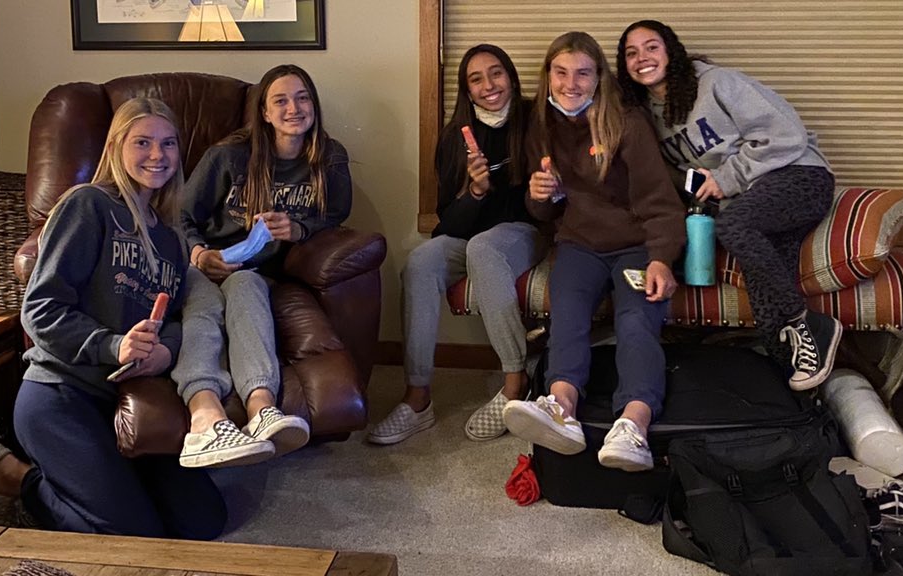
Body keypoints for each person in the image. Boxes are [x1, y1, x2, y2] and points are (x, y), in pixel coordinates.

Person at [0, 98, 227, 538]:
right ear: (115, 147)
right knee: (134, 541)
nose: (157, 154)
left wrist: (165, 351)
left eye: (168, 143)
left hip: (126, 403)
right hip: (60, 395)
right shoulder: (89, 205)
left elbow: (174, 318)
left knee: (203, 520)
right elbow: (39, 309)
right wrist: (113, 345)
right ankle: (15, 477)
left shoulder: (169, 239)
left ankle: (88, 488)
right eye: (142, 142)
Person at [617, 20, 841, 391]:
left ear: (671, 51)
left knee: (733, 225)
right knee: (767, 315)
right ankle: (802, 398)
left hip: (799, 177)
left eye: (651, 47)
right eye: (631, 53)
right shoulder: (647, 118)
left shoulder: (717, 83)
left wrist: (727, 178)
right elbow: (679, 179)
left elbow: (787, 134)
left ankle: (808, 322)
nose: (642, 57)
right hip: (751, 206)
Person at [501, 31, 686, 472]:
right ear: (548, 76)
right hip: (578, 243)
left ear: (599, 77)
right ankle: (561, 406)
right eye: (561, 73)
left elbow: (661, 201)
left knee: (636, 321)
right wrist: (539, 195)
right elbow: (544, 212)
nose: (571, 84)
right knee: (566, 317)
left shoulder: (627, 122)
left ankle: (634, 425)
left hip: (636, 244)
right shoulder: (540, 123)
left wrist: (661, 258)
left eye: (583, 73)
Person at [173, 64, 352, 467]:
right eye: (281, 101)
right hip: (206, 264)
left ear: (314, 105)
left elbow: (336, 214)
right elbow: (178, 215)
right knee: (203, 308)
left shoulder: (329, 157)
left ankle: (262, 410)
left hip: (257, 273)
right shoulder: (228, 157)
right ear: (265, 113)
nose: (294, 108)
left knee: (247, 287)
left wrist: (299, 229)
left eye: (302, 98)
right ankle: (205, 422)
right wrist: (200, 254)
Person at [366, 45, 545, 446]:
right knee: (420, 261)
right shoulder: (455, 136)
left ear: (511, 76)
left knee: (484, 247)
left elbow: (543, 206)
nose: (488, 85)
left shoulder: (534, 120)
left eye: (496, 73)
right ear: (467, 90)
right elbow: (447, 222)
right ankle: (418, 397)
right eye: (476, 79)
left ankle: (515, 382)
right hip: (470, 236)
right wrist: (475, 192)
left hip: (522, 233)